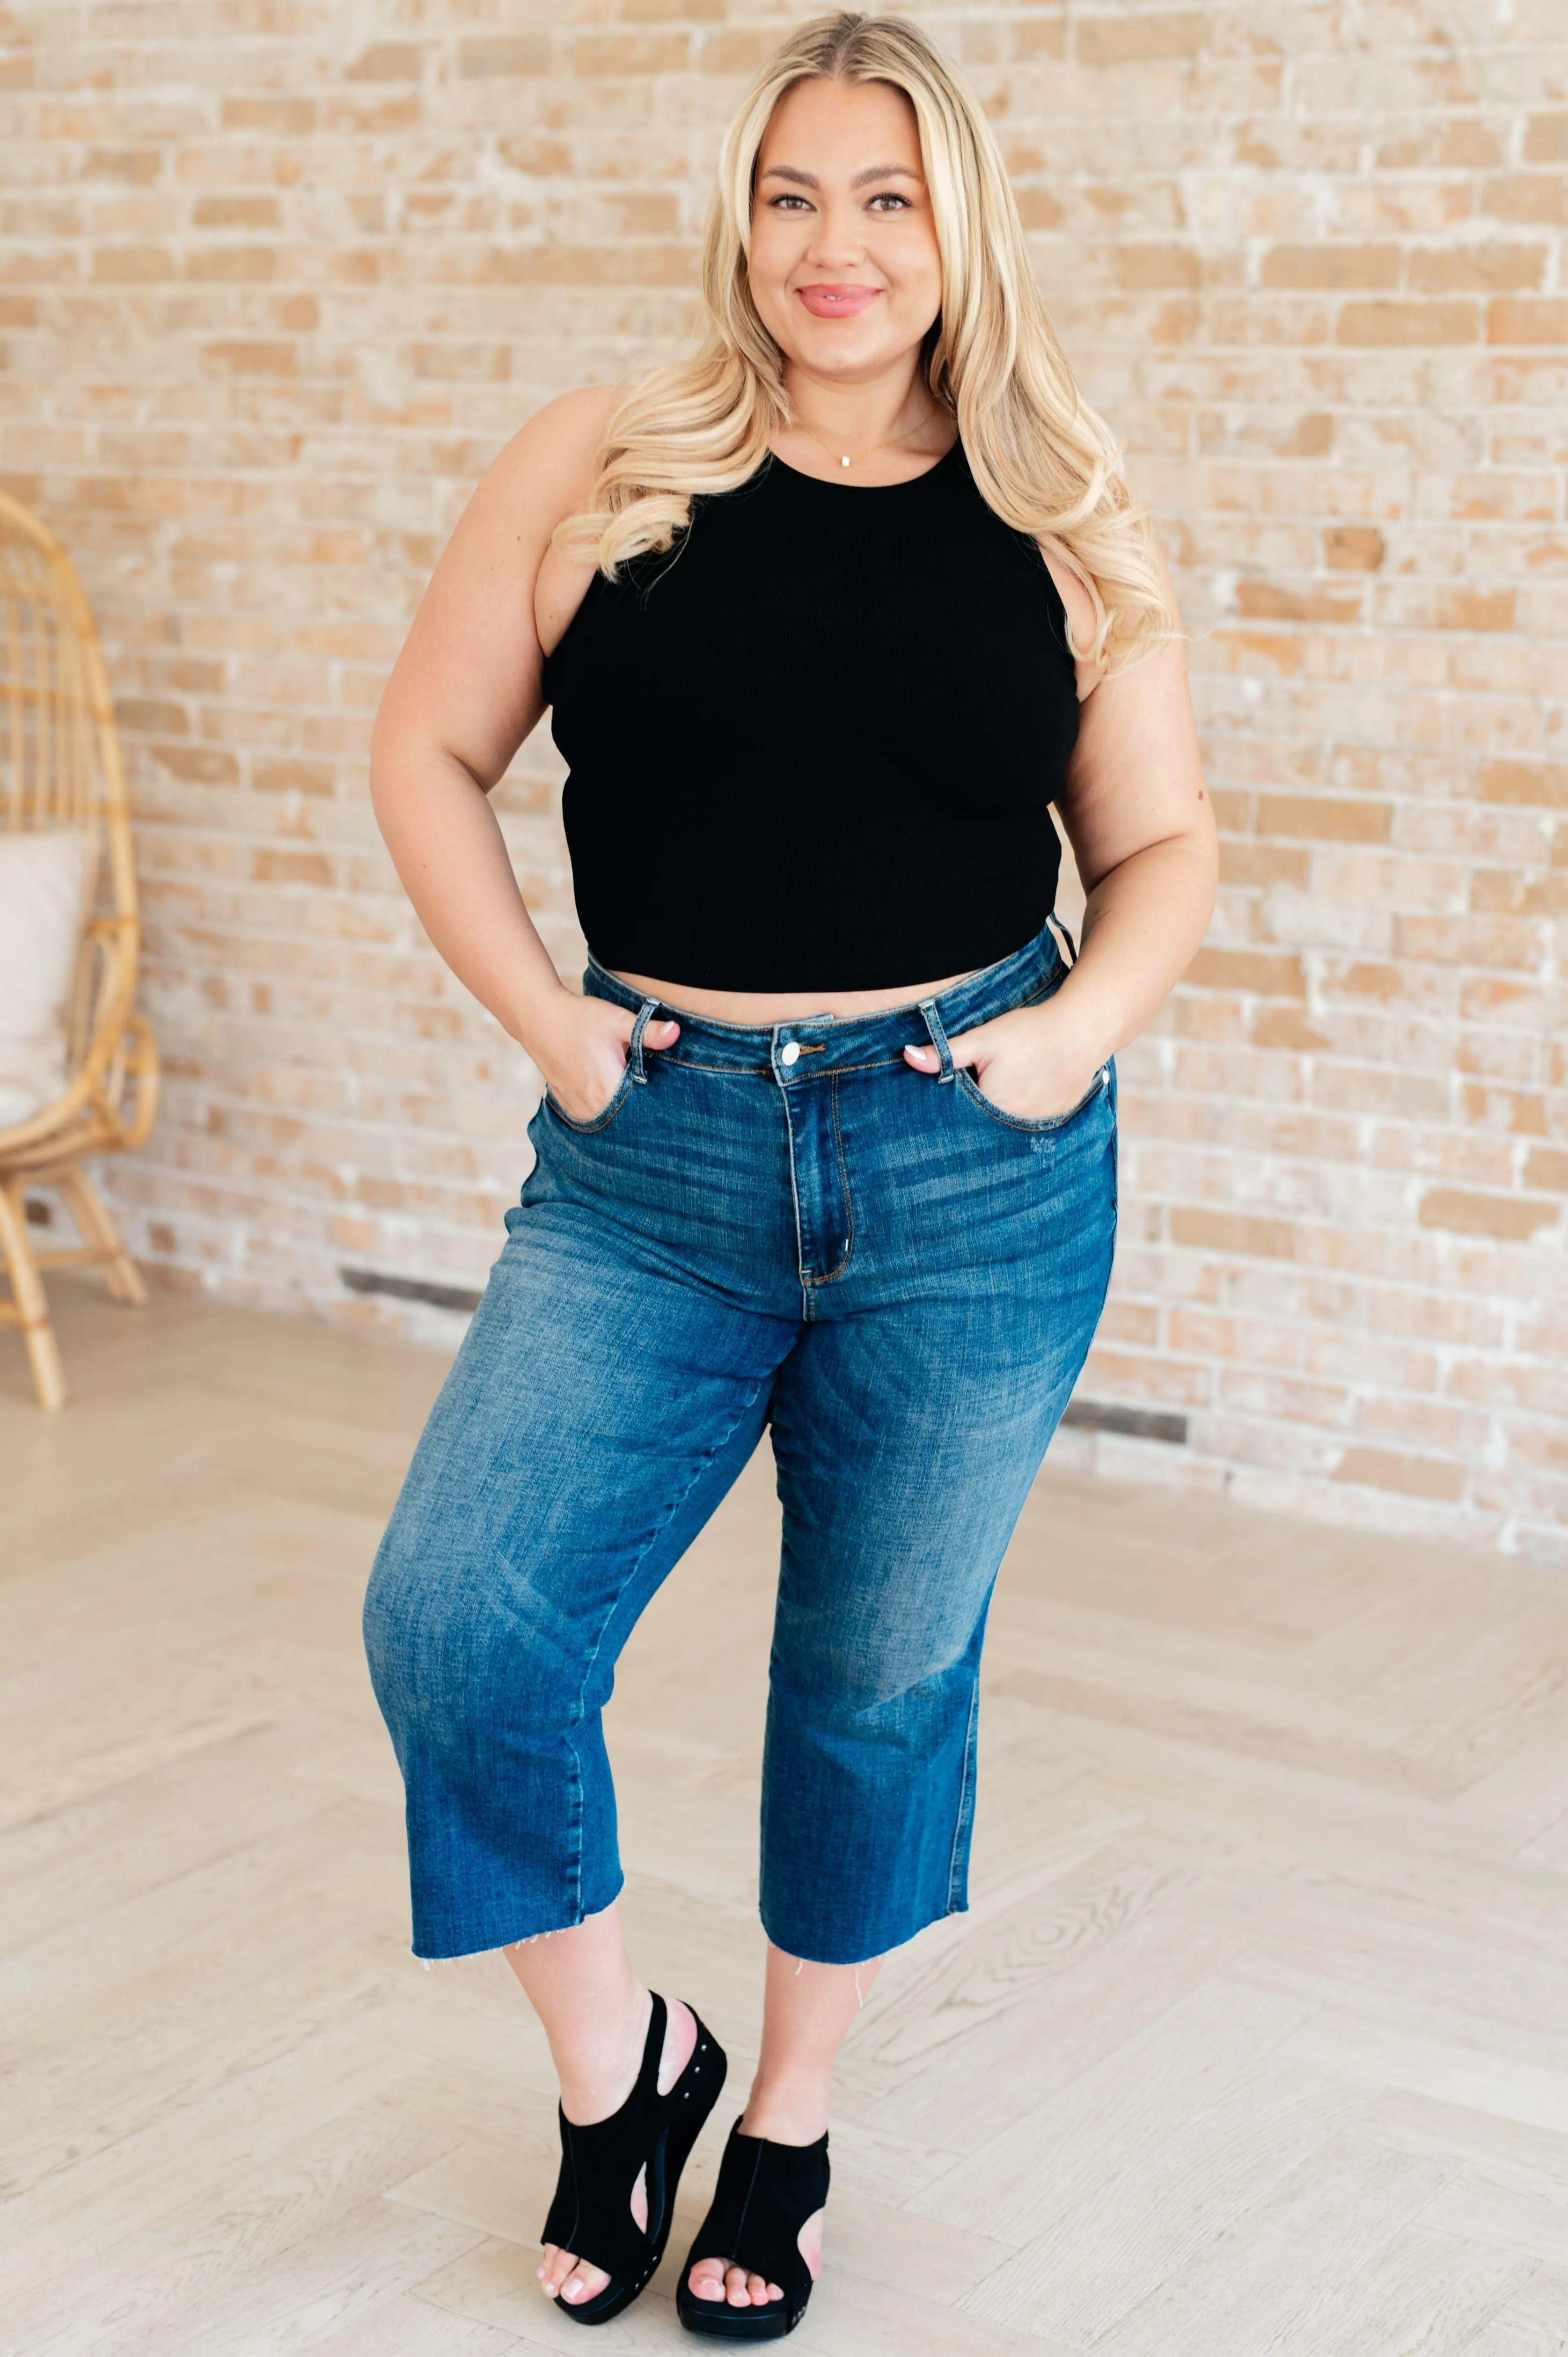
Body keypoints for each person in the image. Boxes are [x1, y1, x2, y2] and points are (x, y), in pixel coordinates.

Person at [362, 8, 1216, 2339]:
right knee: (460, 1622)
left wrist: (1060, 1046)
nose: (836, 248)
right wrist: (553, 1028)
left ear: (960, 228)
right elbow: (428, 751)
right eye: (792, 194)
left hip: (970, 1165)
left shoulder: (1056, 491)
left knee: (868, 1676)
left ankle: (794, 2124)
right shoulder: (603, 457)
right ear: (739, 217)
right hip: (654, 1163)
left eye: (888, 198)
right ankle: (625, 2059)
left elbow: (1160, 843)